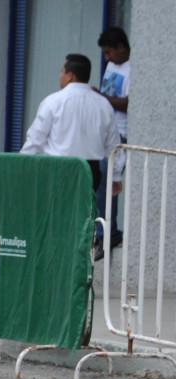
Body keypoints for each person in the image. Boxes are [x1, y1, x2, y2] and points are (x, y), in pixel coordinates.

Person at [21, 54, 123, 260]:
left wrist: (22, 166)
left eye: (62, 71)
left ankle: (56, 260)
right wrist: (116, 175)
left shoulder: (53, 101)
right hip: (90, 171)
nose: (60, 76)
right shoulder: (103, 104)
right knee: (83, 220)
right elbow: (114, 145)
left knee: (55, 218)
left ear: (69, 75)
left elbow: (35, 139)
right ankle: (80, 262)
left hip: (59, 168)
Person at [97, 26, 130, 254]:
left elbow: (128, 103)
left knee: (110, 181)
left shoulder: (132, 68)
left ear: (121, 47)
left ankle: (110, 232)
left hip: (123, 133)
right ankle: (101, 230)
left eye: (110, 52)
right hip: (105, 131)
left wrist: (101, 97)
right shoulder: (111, 66)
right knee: (101, 180)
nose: (107, 58)